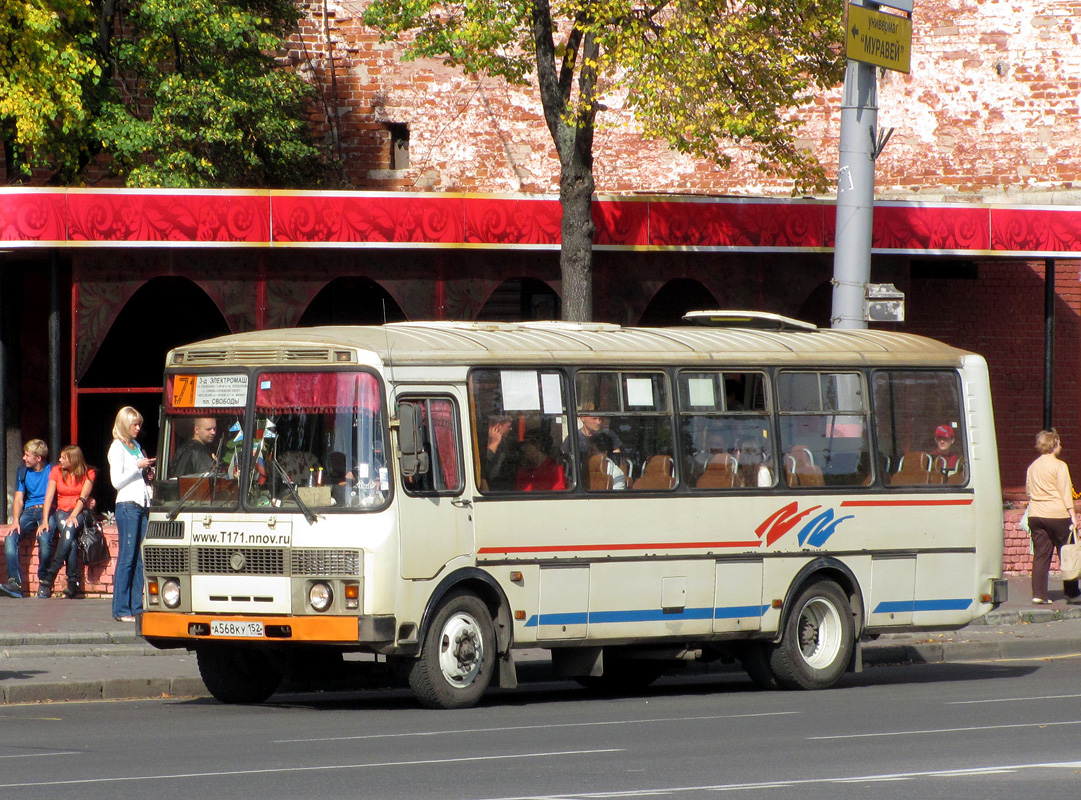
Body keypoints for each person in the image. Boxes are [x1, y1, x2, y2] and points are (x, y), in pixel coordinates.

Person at [109, 406, 155, 622]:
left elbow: (139, 475)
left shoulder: (136, 445)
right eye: (134, 424)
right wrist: (138, 466)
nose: (138, 428)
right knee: (127, 557)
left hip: (142, 503)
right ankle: (120, 608)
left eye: (139, 424)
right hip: (127, 504)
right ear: (124, 425)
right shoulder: (117, 447)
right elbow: (116, 481)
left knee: (140, 558)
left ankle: (137, 606)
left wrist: (148, 473)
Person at [1025, 429, 1077, 604]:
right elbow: (1065, 492)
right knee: (1067, 551)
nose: (1060, 446)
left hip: (1036, 514)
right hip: (1057, 514)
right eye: (1059, 443)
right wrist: (1073, 515)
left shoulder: (1032, 467)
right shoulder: (1059, 466)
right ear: (1053, 445)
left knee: (1041, 554)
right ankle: (1071, 591)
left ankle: (1039, 594)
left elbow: (1028, 491)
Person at [36, 445, 96, 599]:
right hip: (61, 512)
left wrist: (74, 515)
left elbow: (83, 498)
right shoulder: (56, 471)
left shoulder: (89, 472)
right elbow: (49, 496)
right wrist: (44, 520)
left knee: (70, 531)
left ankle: (51, 575)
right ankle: (73, 583)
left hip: (79, 511)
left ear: (73, 459)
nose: (60, 460)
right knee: (71, 539)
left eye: (63, 457)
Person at [0, 440, 52, 599]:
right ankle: (15, 583)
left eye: (28, 455)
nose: (24, 458)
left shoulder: (51, 471)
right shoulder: (22, 471)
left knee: (44, 538)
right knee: (10, 537)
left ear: (39, 458)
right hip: (29, 511)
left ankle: (44, 581)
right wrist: (15, 520)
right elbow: (18, 499)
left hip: (47, 509)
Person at [482, 415, 516, 490]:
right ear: (497, 426)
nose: (511, 429)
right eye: (508, 426)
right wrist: (495, 443)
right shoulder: (480, 440)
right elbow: (483, 468)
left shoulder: (503, 443)